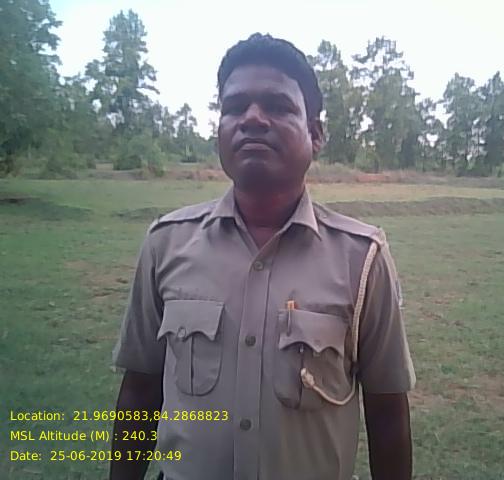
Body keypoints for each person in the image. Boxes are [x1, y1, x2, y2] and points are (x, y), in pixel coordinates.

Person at [110, 33, 415, 480]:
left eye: (278, 105)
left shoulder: (362, 258)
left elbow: (387, 412)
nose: (252, 118)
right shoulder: (166, 244)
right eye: (234, 107)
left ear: (315, 134)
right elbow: (140, 390)